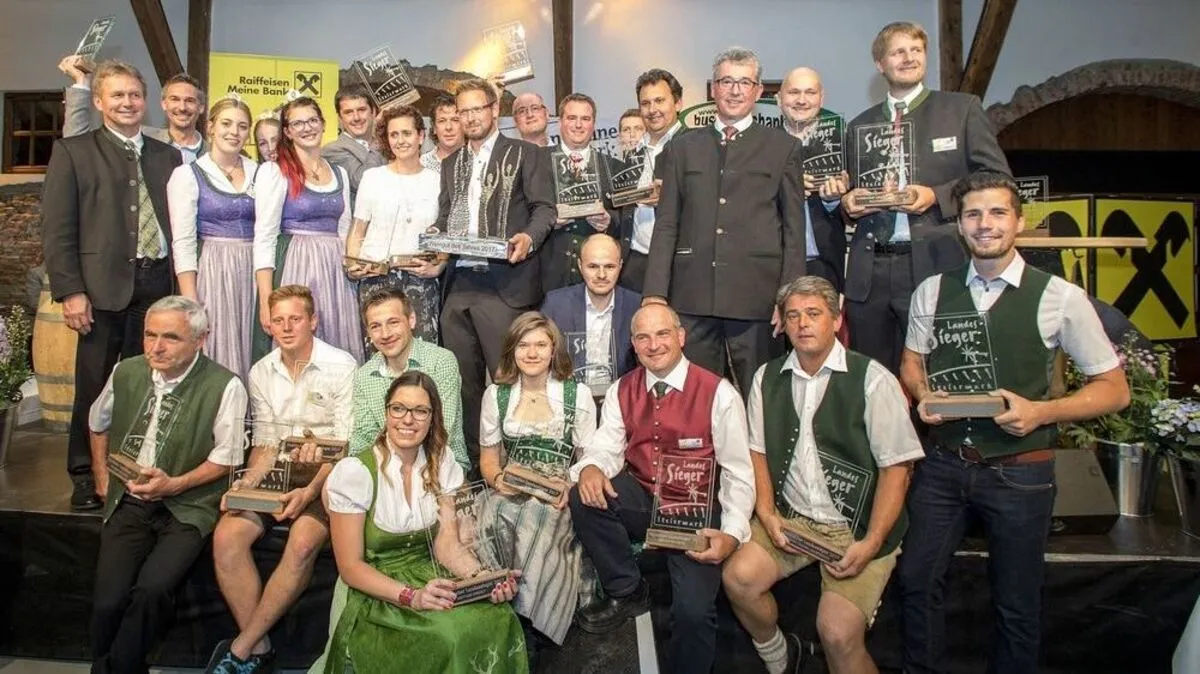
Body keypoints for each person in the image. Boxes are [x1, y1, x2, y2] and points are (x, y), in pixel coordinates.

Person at [898, 171, 1130, 674]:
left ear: (1019, 222)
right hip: (944, 466)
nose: (985, 224)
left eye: (997, 212)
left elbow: (1115, 389)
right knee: (915, 582)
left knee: (1017, 604)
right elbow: (912, 362)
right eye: (973, 214)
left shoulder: (1060, 297)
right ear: (960, 225)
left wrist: (1042, 411)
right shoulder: (931, 291)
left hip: (1021, 472)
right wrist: (921, 394)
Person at [722, 276, 923, 674]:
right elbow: (758, 453)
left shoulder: (873, 379)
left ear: (837, 319)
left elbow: (897, 470)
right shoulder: (765, 378)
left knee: (836, 633)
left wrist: (872, 541)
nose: (803, 324)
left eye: (813, 314)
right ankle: (781, 656)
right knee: (738, 579)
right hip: (793, 518)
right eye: (793, 316)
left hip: (856, 528)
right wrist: (767, 514)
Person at [567, 303, 755, 674]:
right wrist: (590, 467)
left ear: (681, 337)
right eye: (643, 337)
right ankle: (628, 590)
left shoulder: (719, 393)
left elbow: (738, 472)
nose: (653, 345)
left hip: (695, 509)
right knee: (583, 495)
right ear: (633, 345)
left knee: (693, 613)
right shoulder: (623, 388)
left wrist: (732, 535)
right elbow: (607, 446)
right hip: (642, 495)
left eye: (662, 334)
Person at [318, 371, 528, 674]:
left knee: (500, 617)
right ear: (386, 412)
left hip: (431, 575)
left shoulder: (441, 462)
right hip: (379, 592)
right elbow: (350, 567)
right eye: (398, 408)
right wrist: (411, 596)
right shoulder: (356, 472)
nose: (408, 419)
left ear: (432, 418)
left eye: (420, 411)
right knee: (449, 637)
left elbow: (447, 545)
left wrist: (484, 580)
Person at [42, 60, 182, 511]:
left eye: (134, 95)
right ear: (100, 102)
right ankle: (85, 473)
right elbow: (58, 229)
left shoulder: (167, 156)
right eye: (117, 95)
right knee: (94, 386)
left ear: (146, 101)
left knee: (148, 384)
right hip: (100, 290)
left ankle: (135, 468)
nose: (127, 102)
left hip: (157, 285)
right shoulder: (74, 152)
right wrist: (71, 291)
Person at [87, 296, 248, 674]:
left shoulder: (225, 385)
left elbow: (228, 459)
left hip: (188, 506)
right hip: (129, 501)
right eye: (150, 335)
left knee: (153, 590)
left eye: (170, 337)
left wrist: (174, 485)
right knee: (108, 601)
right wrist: (101, 476)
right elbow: (97, 424)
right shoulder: (126, 372)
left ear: (200, 340)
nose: (156, 347)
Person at [842, 21, 1010, 375]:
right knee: (871, 379)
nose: (909, 58)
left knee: (939, 373)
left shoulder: (961, 110)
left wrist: (936, 195)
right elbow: (853, 192)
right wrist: (848, 204)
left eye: (916, 50)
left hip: (935, 263)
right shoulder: (858, 125)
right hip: (869, 273)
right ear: (880, 64)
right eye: (898, 52)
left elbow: (996, 177)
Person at [206, 285, 355, 673]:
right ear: (269, 326)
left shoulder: (342, 365)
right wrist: (246, 483)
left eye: (295, 319)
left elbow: (345, 445)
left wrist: (308, 491)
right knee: (226, 536)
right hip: (279, 471)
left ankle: (240, 649)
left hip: (327, 475)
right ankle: (260, 647)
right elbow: (265, 444)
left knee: (302, 544)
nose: (287, 327)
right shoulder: (261, 370)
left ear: (313, 321)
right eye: (279, 320)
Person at [644, 47, 807, 396]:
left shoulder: (783, 148)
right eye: (726, 81)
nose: (735, 91)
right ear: (713, 89)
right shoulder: (682, 148)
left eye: (744, 82)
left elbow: (794, 231)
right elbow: (667, 224)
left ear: (758, 91)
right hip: (692, 297)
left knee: (761, 397)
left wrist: (789, 297)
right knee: (696, 399)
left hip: (758, 299)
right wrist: (655, 293)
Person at [435, 78, 555, 472]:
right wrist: (435, 237)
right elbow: (445, 216)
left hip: (506, 282)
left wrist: (529, 238)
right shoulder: (450, 163)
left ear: (493, 110)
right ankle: (474, 469)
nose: (470, 117)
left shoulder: (525, 153)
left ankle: (523, 468)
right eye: (463, 111)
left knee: (511, 382)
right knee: (464, 387)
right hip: (459, 284)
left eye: (477, 109)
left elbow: (545, 209)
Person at [477, 312, 597, 649]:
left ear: (553, 349)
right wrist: (499, 480)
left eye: (540, 345)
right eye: (523, 345)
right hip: (511, 487)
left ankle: (529, 620)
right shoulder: (497, 395)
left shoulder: (577, 394)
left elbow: (590, 460)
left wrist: (570, 487)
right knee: (493, 514)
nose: (531, 353)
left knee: (537, 517)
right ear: (512, 350)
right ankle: (500, 610)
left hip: (559, 490)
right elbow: (488, 461)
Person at [253, 96, 363, 362]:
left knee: (337, 344)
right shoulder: (275, 171)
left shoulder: (339, 173)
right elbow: (265, 237)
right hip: (296, 266)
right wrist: (266, 299)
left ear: (324, 124)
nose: (307, 128)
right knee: (298, 343)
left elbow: (345, 229)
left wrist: (351, 267)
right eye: (298, 123)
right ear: (288, 132)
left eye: (312, 120)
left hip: (335, 272)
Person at [168, 95, 258, 383]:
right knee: (220, 344)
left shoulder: (259, 172)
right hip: (215, 269)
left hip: (255, 268)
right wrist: (190, 299)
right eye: (226, 124)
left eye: (242, 126)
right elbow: (183, 241)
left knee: (254, 345)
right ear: (210, 127)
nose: (234, 132)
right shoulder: (188, 174)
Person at [345, 105, 445, 343]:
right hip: (375, 278)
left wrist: (440, 265)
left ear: (421, 136)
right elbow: (358, 228)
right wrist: (352, 264)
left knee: (422, 352)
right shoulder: (373, 177)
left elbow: (446, 232)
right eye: (394, 134)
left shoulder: (438, 180)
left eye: (407, 133)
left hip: (420, 279)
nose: (400, 141)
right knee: (381, 351)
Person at [349, 288, 466, 468]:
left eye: (393, 322)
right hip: (385, 466)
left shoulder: (440, 361)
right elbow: (363, 438)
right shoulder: (365, 375)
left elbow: (442, 432)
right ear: (368, 332)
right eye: (376, 326)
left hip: (439, 464)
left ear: (411, 320)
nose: (385, 334)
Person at [541, 234, 640, 399]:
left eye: (609, 266)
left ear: (620, 266)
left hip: (620, 399)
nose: (601, 275)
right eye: (593, 266)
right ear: (580, 266)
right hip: (568, 398)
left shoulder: (636, 306)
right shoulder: (556, 304)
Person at [777, 67, 850, 291]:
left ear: (821, 98)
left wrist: (833, 200)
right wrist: (788, 186)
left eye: (810, 92)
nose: (802, 100)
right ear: (779, 99)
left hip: (825, 263)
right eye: (793, 92)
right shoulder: (763, 146)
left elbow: (856, 211)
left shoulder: (843, 143)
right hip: (775, 263)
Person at [540, 93, 620, 292]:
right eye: (571, 118)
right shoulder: (537, 162)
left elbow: (626, 217)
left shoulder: (612, 166)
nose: (578, 125)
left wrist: (609, 221)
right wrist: (547, 220)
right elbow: (522, 212)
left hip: (598, 278)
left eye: (585, 119)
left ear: (593, 124)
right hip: (547, 274)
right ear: (560, 122)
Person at [59, 55, 207, 162]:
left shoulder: (214, 152)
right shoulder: (139, 137)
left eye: (190, 101)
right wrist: (81, 84)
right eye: (174, 99)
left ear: (201, 107)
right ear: (163, 104)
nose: (182, 107)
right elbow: (76, 144)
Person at [619, 68, 684, 293]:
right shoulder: (633, 151)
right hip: (634, 262)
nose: (652, 109)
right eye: (645, 103)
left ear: (678, 103)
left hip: (676, 264)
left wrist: (671, 195)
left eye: (659, 101)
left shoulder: (694, 145)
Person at [321, 85, 386, 204]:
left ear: (373, 112)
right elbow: (362, 181)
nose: (356, 117)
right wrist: (377, 134)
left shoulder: (388, 145)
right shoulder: (331, 150)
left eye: (361, 110)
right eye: (348, 112)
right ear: (340, 118)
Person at [420, 93, 464, 173]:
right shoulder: (422, 164)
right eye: (442, 121)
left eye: (455, 120)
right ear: (434, 128)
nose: (448, 127)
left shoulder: (479, 159)